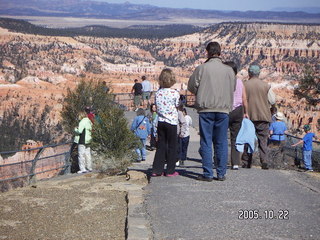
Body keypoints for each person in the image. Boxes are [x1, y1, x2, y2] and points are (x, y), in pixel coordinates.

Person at [188, 41, 236, 181]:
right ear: (220, 52)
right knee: (221, 141)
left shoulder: (202, 68)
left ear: (207, 52)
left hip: (206, 109)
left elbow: (191, 86)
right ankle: (221, 173)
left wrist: (201, 91)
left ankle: (208, 173)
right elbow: (232, 88)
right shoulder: (228, 70)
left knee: (206, 141)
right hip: (223, 109)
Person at [242, 65, 276, 170]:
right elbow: (272, 100)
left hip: (249, 116)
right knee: (263, 140)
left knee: (248, 139)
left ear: (249, 73)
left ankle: (246, 162)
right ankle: (264, 161)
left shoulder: (245, 85)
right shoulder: (266, 86)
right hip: (263, 116)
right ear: (259, 73)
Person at [152, 69, 180, 177]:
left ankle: (157, 169)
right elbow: (177, 105)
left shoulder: (158, 93)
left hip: (161, 121)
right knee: (172, 146)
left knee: (161, 145)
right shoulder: (175, 93)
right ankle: (170, 170)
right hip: (171, 122)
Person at [224, 61, 249, 170]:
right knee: (235, 137)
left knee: (222, 136)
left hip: (225, 109)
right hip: (238, 110)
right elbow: (244, 99)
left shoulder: (223, 81)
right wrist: (246, 112)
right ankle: (235, 162)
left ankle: (221, 159)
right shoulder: (239, 82)